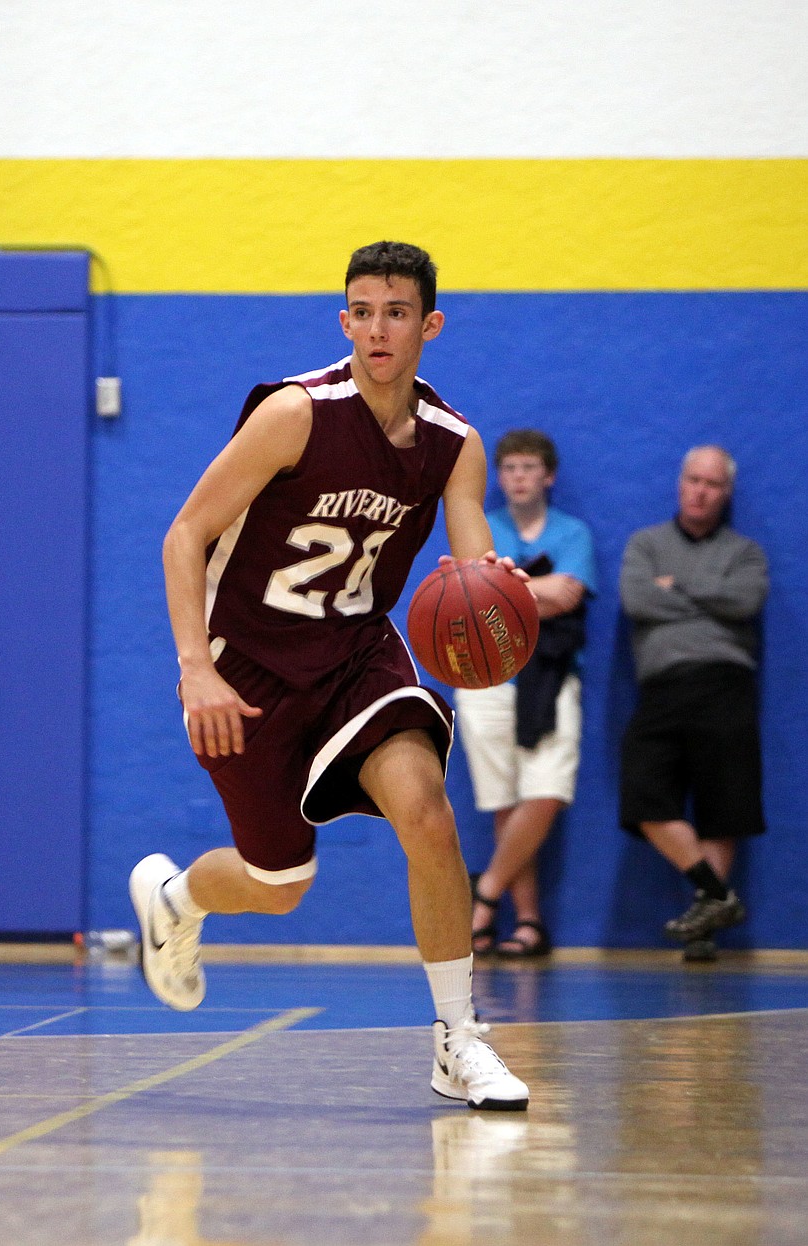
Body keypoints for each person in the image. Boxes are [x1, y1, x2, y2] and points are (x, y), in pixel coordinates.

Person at [129, 240, 530, 1110]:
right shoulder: (295, 414)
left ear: (429, 325)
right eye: (361, 311)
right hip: (248, 670)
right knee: (280, 886)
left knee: (427, 813)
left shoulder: (453, 445)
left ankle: (459, 1040)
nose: (376, 329)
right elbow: (184, 535)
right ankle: (175, 897)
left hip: (358, 655)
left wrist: (499, 600)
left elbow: (471, 565)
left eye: (395, 312)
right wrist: (195, 669)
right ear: (343, 319)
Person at [619, 445, 768, 960]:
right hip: (662, 684)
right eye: (694, 481)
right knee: (643, 795)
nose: (701, 491)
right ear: (680, 484)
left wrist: (677, 587)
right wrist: (709, 595)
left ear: (725, 494)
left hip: (727, 683)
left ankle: (703, 930)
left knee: (722, 807)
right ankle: (718, 894)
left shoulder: (745, 553)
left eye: (713, 484)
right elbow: (638, 599)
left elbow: (746, 601)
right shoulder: (646, 545)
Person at [454, 430, 597, 957]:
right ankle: (528, 922)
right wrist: (536, 590)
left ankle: (485, 895)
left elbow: (569, 597)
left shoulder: (573, 533)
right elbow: (471, 597)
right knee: (502, 801)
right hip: (486, 676)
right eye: (509, 467)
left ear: (548, 475)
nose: (518, 477)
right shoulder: (483, 527)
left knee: (547, 790)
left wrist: (507, 593)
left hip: (552, 676)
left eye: (528, 468)